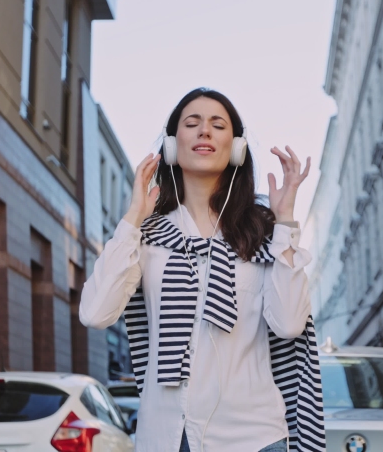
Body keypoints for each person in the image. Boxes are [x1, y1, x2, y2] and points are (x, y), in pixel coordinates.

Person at [80, 88, 324, 452]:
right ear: (173, 146)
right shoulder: (146, 237)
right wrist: (133, 218)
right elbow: (95, 313)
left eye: (218, 124)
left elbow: (289, 324)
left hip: (252, 437)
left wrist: (285, 220)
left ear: (236, 147)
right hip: (165, 436)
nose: (204, 132)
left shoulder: (262, 232)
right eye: (191, 123)